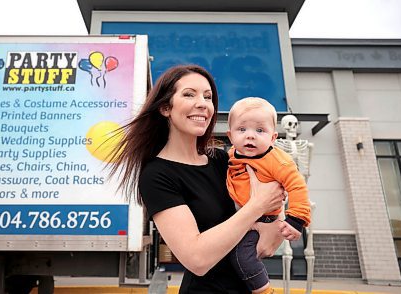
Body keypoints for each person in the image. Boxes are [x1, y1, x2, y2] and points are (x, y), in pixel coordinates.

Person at [106, 64, 286, 293]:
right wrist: (256, 206)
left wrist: (269, 213)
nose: (203, 103)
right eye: (189, 94)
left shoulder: (223, 160)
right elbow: (197, 259)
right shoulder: (157, 176)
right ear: (165, 108)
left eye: (208, 96)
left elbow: (268, 243)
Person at [225, 97, 311, 293]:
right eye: (242, 129)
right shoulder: (231, 155)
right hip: (240, 217)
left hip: (264, 219)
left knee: (242, 256)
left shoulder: (278, 161)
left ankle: (263, 290)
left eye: (260, 130)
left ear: (273, 137)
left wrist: (296, 220)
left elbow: (297, 186)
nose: (250, 136)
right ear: (230, 136)